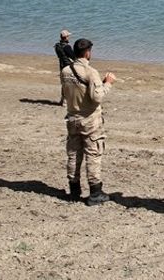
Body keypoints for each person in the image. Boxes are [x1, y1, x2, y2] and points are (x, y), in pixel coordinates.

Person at [61, 37, 116, 205]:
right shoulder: (91, 72)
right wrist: (108, 83)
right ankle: (95, 192)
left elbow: (65, 94)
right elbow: (97, 97)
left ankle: (74, 190)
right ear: (87, 53)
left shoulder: (65, 71)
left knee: (73, 154)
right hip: (90, 120)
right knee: (93, 154)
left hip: (72, 118)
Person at [55, 29, 75, 101]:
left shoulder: (57, 46)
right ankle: (66, 101)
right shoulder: (67, 47)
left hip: (61, 65)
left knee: (64, 83)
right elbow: (73, 57)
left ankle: (63, 99)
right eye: (68, 36)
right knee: (70, 83)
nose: (69, 37)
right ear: (66, 37)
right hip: (68, 66)